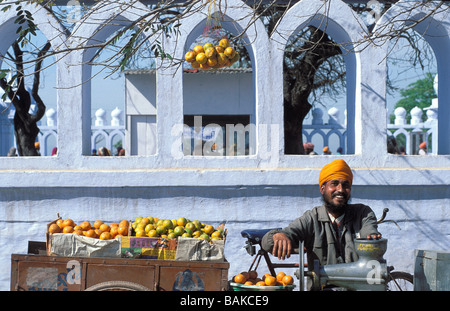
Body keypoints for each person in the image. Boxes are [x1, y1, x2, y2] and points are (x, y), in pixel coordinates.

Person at [262, 159, 381, 267]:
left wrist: (371, 237)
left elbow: (369, 231)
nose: (340, 190)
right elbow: (268, 243)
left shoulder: (362, 213)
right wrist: (277, 236)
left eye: (345, 185)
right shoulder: (311, 219)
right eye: (334, 184)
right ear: (322, 189)